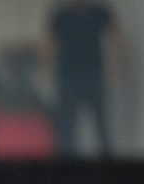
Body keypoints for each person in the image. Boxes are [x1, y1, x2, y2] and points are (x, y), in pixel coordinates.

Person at [42, 0, 124, 156]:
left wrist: (119, 65)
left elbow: (117, 36)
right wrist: (44, 70)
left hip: (93, 76)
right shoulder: (61, 16)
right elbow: (50, 43)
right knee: (67, 127)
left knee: (101, 125)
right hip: (68, 77)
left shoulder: (99, 12)